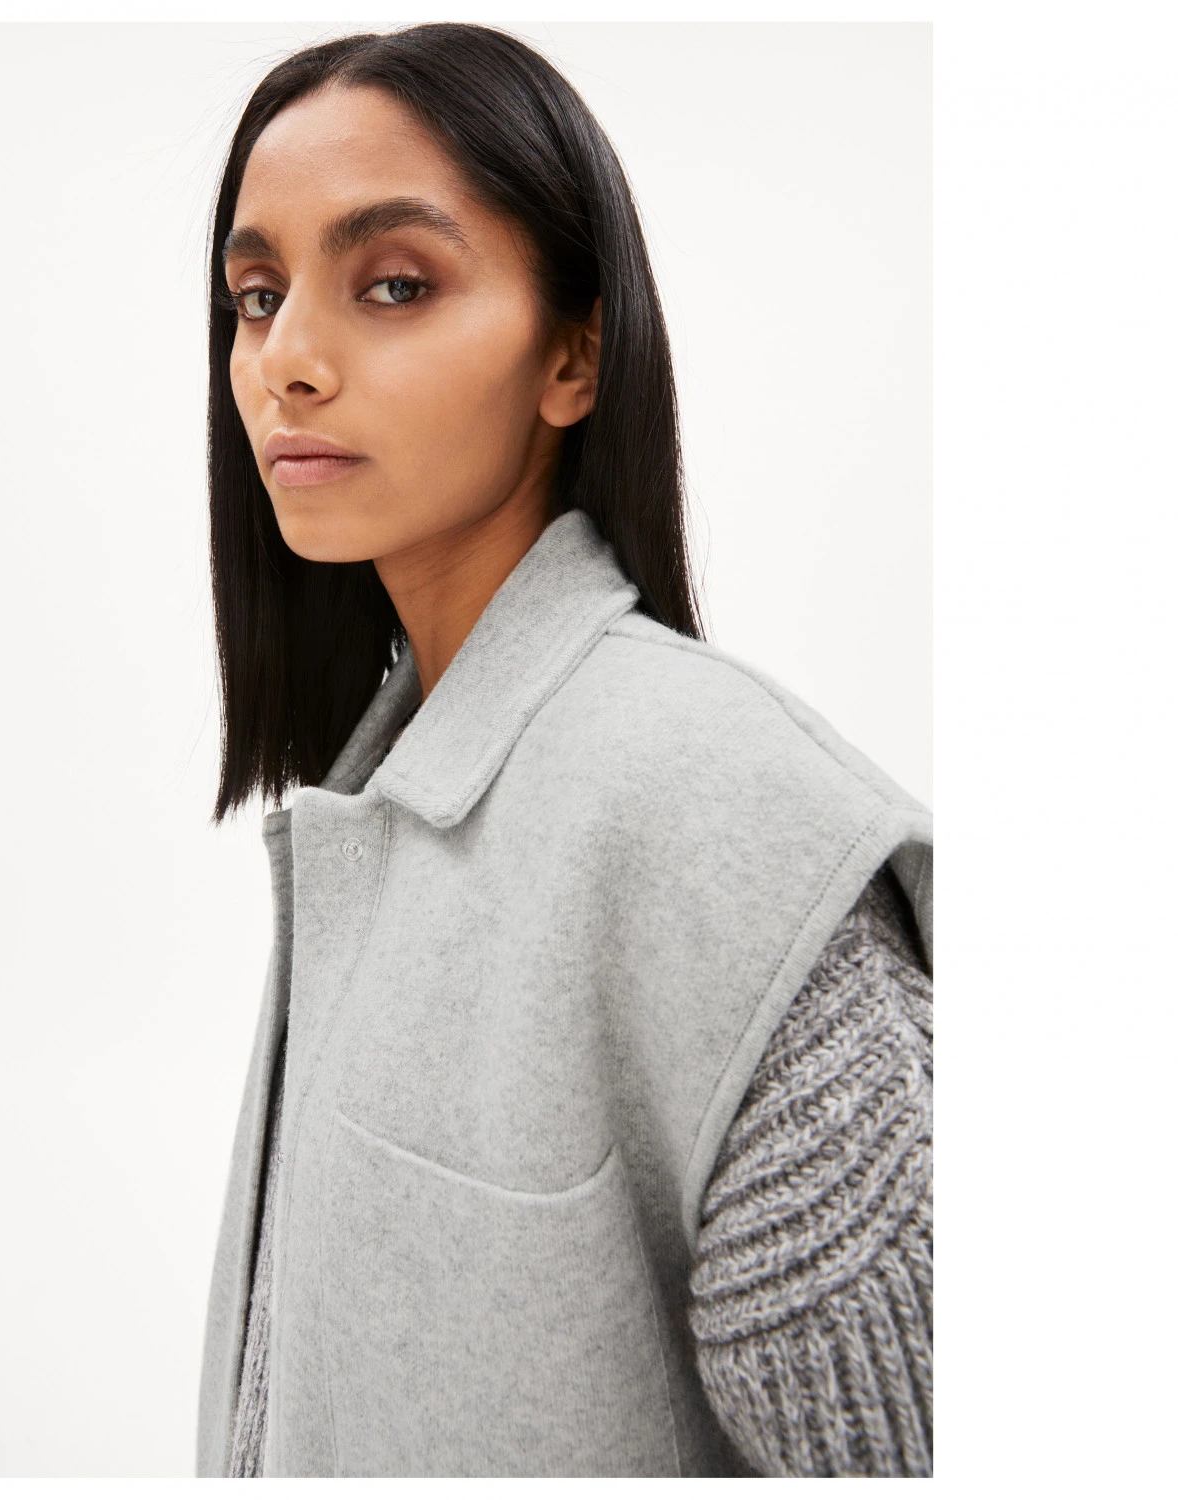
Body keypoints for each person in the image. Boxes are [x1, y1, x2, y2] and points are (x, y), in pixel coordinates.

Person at [195, 23, 931, 1479]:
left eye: (394, 285)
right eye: (259, 297)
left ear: (576, 354)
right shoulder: (378, 796)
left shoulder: (711, 811)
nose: (288, 362)